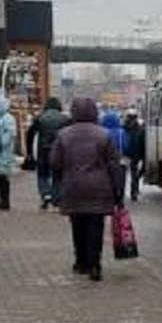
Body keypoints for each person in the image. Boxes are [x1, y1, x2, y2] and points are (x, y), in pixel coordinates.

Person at [50, 97, 125, 282]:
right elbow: (114, 165)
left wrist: (63, 178)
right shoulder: (104, 135)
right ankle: (95, 264)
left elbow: (54, 162)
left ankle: (80, 262)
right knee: (95, 226)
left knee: (78, 225)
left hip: (74, 187)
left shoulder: (63, 135)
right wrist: (118, 191)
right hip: (99, 188)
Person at [26, 97, 69, 210]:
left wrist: (29, 151)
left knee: (42, 174)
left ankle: (45, 195)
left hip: (43, 150)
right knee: (58, 175)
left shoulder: (40, 118)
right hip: (59, 150)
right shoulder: (65, 119)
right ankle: (57, 198)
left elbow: (30, 134)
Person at [0, 94, 16, 210]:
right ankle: (3, 201)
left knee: (2, 178)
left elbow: (9, 135)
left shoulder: (7, 118)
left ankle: (5, 202)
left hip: (3, 153)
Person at [122, 109, 145, 202]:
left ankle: (128, 193)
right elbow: (143, 143)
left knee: (125, 174)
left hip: (126, 155)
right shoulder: (140, 129)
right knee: (134, 174)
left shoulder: (124, 127)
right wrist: (143, 155)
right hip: (134, 154)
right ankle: (133, 193)